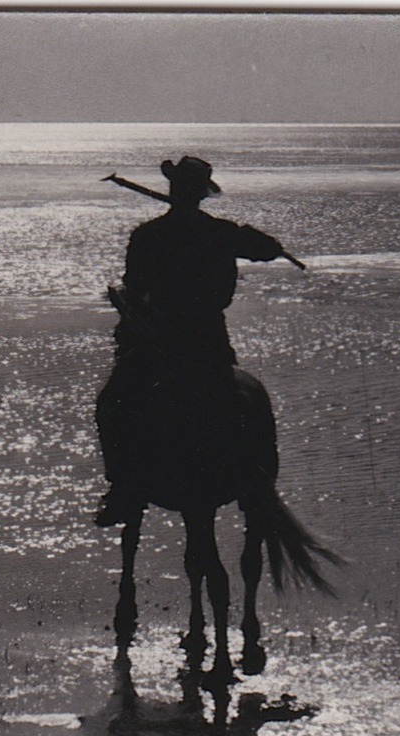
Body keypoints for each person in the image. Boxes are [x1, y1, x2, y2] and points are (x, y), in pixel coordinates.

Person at [94, 156, 288, 527]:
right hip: (209, 344)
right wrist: (242, 236)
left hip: (161, 344)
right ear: (202, 194)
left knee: (112, 404)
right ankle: (257, 479)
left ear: (174, 190)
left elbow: (135, 289)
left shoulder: (149, 235)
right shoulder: (220, 233)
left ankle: (122, 487)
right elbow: (268, 248)